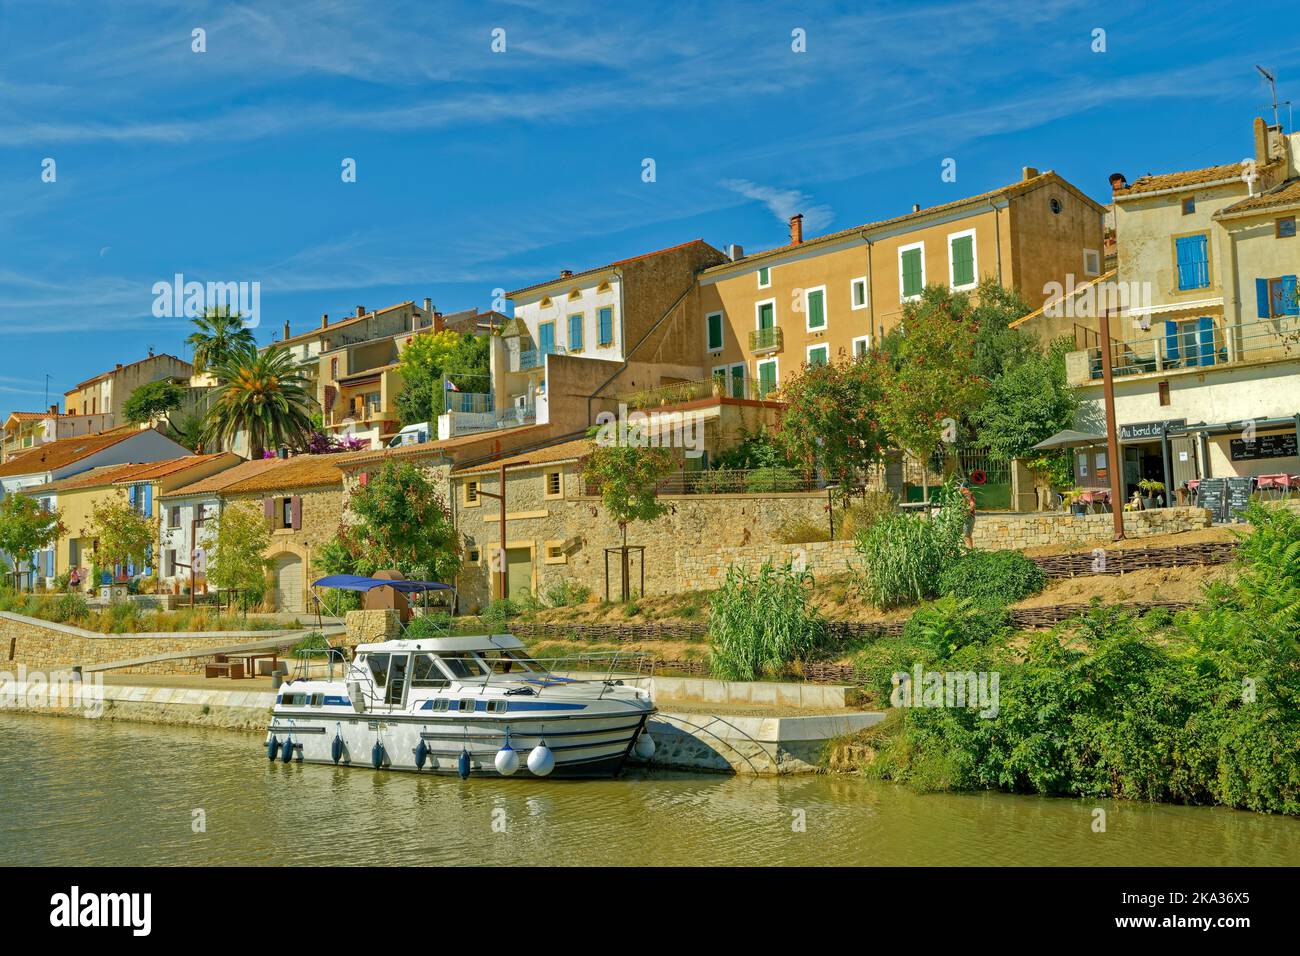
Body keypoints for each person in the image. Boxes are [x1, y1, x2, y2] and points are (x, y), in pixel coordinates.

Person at [958, 481, 977, 549]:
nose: (960, 489)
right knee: (965, 535)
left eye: (961, 488)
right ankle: (968, 550)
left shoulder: (967, 494)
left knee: (966, 536)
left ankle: (970, 552)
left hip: (968, 518)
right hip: (967, 518)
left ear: (964, 488)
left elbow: (972, 505)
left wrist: (967, 512)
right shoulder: (964, 495)